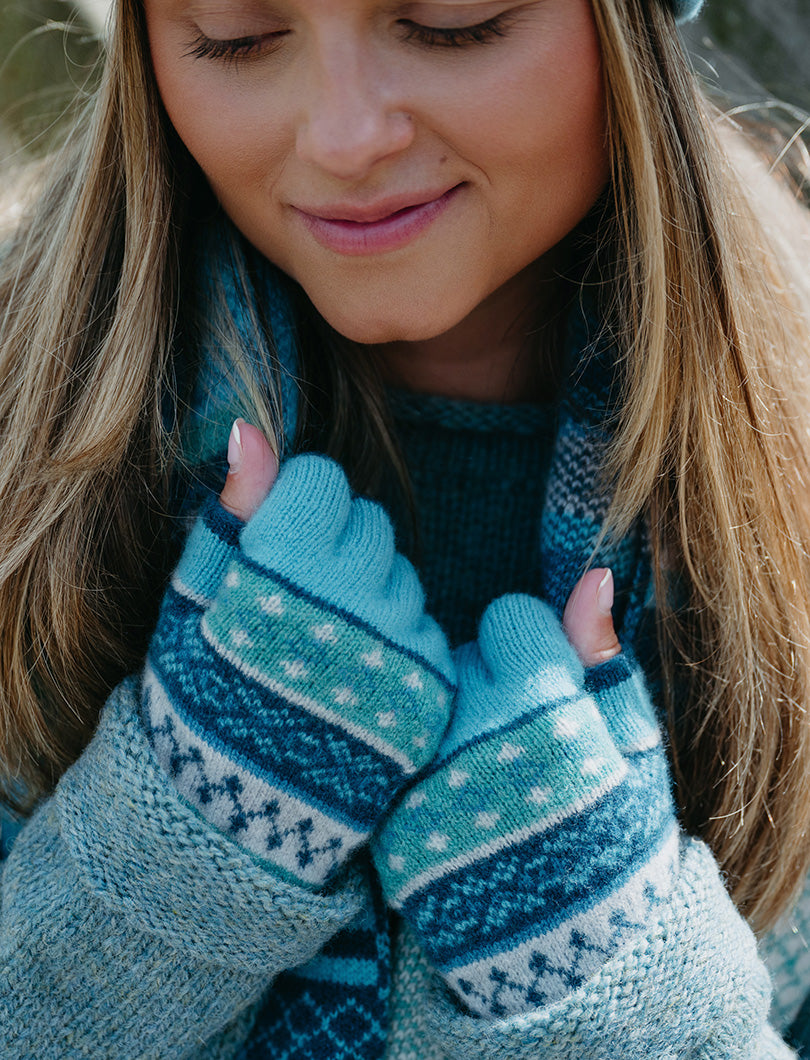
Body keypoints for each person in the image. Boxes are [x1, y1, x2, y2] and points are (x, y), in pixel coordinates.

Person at [2, 0, 810, 1055]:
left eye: (452, 20)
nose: (344, 137)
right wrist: (181, 848)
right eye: (235, 34)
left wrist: (613, 999)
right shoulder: (25, 439)